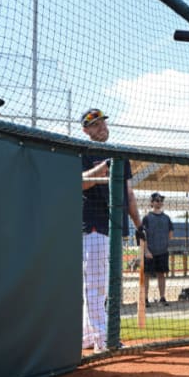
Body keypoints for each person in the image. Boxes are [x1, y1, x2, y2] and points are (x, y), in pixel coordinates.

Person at [80, 108, 142, 353]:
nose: (101, 127)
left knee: (97, 286)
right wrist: (101, 169)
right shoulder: (81, 151)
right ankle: (103, 339)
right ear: (86, 130)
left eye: (102, 122)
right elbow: (79, 182)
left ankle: (87, 336)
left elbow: (129, 195)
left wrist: (139, 226)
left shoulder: (119, 156)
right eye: (95, 125)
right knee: (95, 286)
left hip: (113, 229)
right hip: (92, 227)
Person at [141, 192, 174, 306]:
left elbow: (170, 234)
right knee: (146, 275)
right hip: (149, 252)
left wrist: (163, 244)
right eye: (157, 200)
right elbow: (142, 236)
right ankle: (145, 299)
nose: (159, 202)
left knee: (161, 275)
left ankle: (162, 297)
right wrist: (146, 250)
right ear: (151, 203)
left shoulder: (167, 218)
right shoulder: (146, 218)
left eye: (161, 200)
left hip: (162, 251)